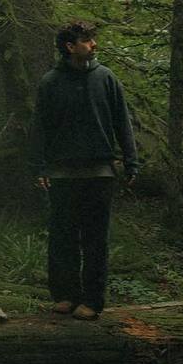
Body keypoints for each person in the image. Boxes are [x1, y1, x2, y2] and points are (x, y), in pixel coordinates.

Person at [28, 19, 139, 319]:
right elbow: (40, 128)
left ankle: (92, 300)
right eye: (87, 40)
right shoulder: (50, 82)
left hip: (99, 173)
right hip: (62, 173)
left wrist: (131, 161)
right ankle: (65, 296)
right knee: (62, 238)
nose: (94, 44)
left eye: (92, 39)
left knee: (95, 241)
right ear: (70, 46)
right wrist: (39, 167)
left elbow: (122, 122)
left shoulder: (106, 78)